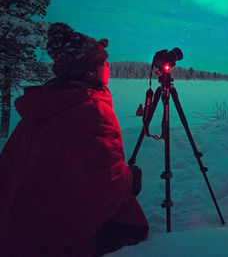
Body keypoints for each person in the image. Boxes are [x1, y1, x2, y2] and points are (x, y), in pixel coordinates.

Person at [0, 23, 149, 256]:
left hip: (18, 229)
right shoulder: (91, 111)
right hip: (52, 238)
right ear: (90, 71)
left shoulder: (44, 105)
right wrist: (131, 179)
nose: (109, 66)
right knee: (134, 229)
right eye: (104, 62)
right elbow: (107, 182)